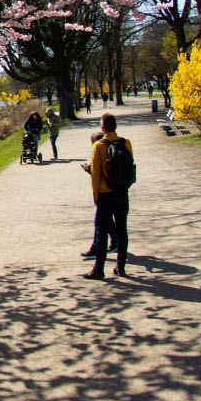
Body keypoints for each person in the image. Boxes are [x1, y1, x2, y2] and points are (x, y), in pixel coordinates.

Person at [79, 113, 134, 280]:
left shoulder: (99, 145)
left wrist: (96, 195)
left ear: (103, 128)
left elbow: (96, 174)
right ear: (115, 126)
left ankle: (99, 269)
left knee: (102, 232)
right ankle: (121, 267)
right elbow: (128, 167)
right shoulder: (126, 143)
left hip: (105, 194)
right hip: (122, 193)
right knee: (122, 229)